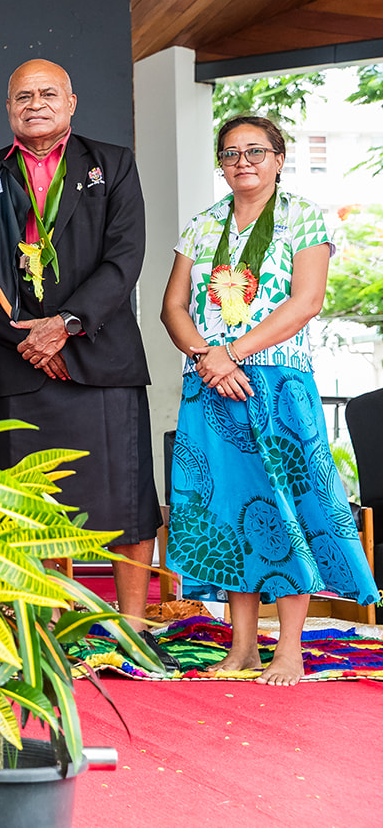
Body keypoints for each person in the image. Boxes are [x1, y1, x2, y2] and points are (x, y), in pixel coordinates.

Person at [0, 59, 168, 662]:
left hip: (101, 357)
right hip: (17, 363)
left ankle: (130, 627)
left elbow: (126, 257)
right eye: (23, 95)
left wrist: (66, 325)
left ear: (71, 102)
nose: (36, 103)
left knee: (126, 501)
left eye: (49, 93)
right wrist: (27, 338)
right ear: (8, 107)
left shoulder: (114, 164)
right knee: (33, 508)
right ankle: (44, 629)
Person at [160, 114, 378, 684]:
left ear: (279, 158)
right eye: (230, 153)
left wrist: (229, 353)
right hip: (210, 384)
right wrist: (209, 357)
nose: (243, 162)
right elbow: (172, 308)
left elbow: (305, 302)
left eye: (256, 151)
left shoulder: (303, 217)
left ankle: (289, 648)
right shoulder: (203, 225)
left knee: (286, 507)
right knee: (229, 510)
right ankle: (241, 647)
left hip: (277, 383)